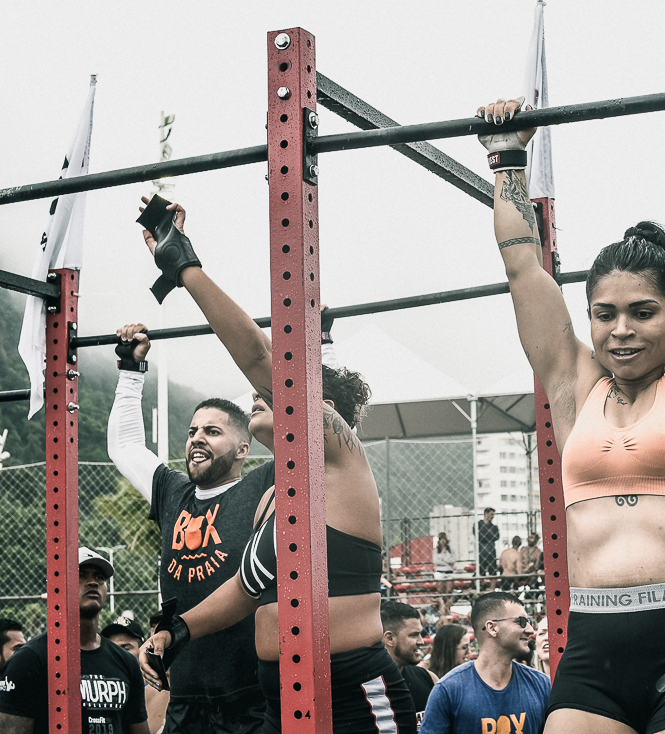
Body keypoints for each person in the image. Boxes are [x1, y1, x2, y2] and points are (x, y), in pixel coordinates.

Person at [477, 64, 665, 734]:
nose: (622, 329)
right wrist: (508, 159)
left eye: (642, 312)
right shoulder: (575, 389)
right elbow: (523, 262)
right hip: (592, 651)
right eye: (604, 313)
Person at [133, 200, 415, 734]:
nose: (262, 396)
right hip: (277, 695)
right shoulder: (272, 494)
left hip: (348, 688)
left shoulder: (342, 460)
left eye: (286, 388)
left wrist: (183, 265)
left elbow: (266, 362)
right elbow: (244, 587)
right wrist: (177, 631)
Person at [107, 322, 274, 734]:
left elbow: (326, 444)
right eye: (193, 431)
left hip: (250, 697)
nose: (197, 438)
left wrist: (321, 347)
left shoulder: (262, 485)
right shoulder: (172, 492)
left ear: (242, 448)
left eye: (212, 432)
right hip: (186, 695)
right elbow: (125, 446)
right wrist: (130, 370)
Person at [0, 548, 148, 734]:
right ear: (56, 586)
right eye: (81, 575)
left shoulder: (126, 662)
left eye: (100, 577)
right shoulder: (29, 660)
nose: (93, 582)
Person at [421, 592, 551, 734]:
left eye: (529, 623)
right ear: (492, 628)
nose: (530, 630)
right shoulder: (448, 690)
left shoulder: (541, 684)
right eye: (520, 622)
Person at [381, 601, 439, 727]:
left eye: (421, 634)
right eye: (414, 635)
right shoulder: (369, 687)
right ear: (390, 638)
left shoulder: (428, 678)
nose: (421, 641)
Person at [476, 509, 501, 591]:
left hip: (491, 552)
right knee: (481, 572)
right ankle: (481, 588)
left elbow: (496, 537)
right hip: (481, 551)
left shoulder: (494, 527)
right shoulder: (478, 524)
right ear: (485, 514)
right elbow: (478, 536)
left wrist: (486, 535)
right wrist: (489, 535)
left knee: (493, 572)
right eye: (491, 514)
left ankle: (492, 589)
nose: (492, 516)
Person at [434, 532, 455, 615]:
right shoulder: (436, 551)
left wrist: (443, 560)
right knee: (441, 591)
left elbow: (453, 560)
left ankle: (447, 608)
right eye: (441, 539)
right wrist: (447, 561)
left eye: (444, 539)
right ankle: (442, 609)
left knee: (448, 591)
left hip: (449, 572)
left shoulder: (451, 550)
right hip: (440, 572)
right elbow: (436, 561)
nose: (443, 541)